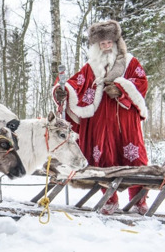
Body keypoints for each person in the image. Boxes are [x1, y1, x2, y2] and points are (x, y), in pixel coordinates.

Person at [53, 20, 149, 215]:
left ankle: (139, 201)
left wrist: (121, 89)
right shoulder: (90, 67)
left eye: (109, 42)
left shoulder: (130, 62)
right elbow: (74, 84)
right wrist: (61, 91)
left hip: (126, 121)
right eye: (101, 44)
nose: (106, 47)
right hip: (101, 124)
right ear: (96, 46)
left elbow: (141, 82)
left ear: (115, 42)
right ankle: (110, 200)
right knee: (103, 158)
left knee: (135, 158)